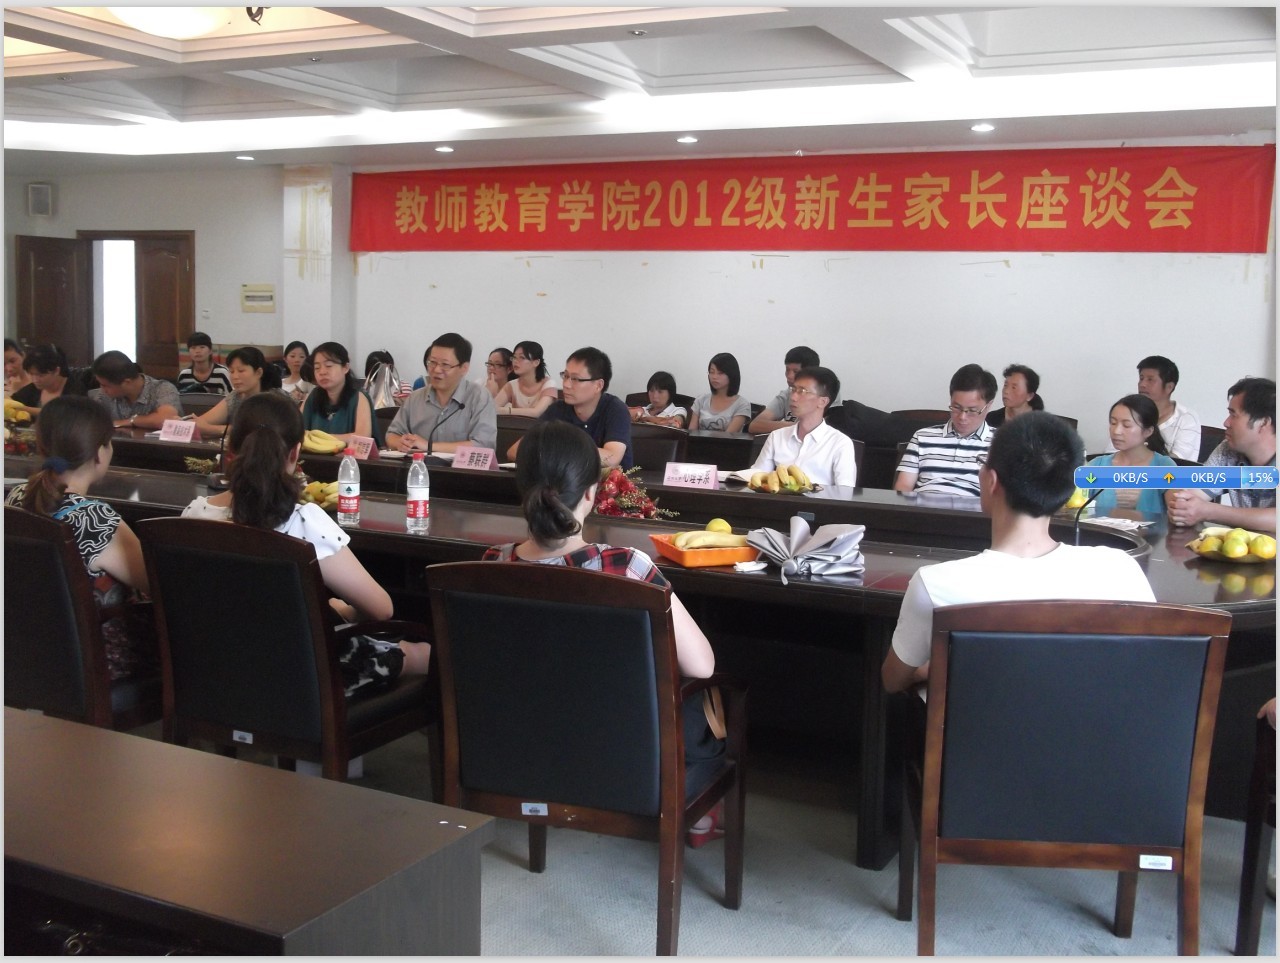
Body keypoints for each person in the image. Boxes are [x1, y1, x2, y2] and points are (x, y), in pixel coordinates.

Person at [483, 420, 723, 843]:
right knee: (699, 697)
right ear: (592, 493)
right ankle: (696, 810)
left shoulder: (490, 564)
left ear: (521, 488)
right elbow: (702, 666)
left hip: (522, 745)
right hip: (619, 754)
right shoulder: (626, 566)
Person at [882, 411, 1156, 696]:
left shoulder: (934, 583)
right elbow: (1149, 665)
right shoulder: (1121, 568)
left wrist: (936, 666)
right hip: (1097, 722)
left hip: (982, 725)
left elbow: (893, 680)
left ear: (991, 481)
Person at [181, 392, 430, 674]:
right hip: (298, 675)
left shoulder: (193, 515)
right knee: (422, 653)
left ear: (229, 452)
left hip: (211, 669)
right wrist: (345, 609)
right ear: (296, 453)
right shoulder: (303, 522)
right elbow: (381, 609)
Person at [5, 395, 158, 681]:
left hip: (26, 655)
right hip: (95, 664)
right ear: (99, 453)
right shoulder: (96, 519)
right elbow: (159, 583)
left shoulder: (15, 498)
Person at [1166, 376, 1276, 533]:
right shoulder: (1227, 451)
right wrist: (1183, 506)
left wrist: (1209, 511)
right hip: (1238, 546)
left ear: (1263, 423)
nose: (1226, 423)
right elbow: (1192, 494)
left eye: (1233, 415)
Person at [510, 346, 632, 469]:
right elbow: (515, 451)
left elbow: (611, 458)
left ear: (598, 385)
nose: (566, 384)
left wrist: (556, 450)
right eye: (566, 376)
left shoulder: (615, 409)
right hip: (564, 480)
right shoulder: (557, 410)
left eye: (575, 379)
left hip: (609, 481)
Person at [894, 363, 997, 497]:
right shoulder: (923, 437)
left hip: (972, 509)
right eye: (956, 407)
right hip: (923, 507)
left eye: (972, 410)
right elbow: (903, 487)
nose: (962, 417)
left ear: (988, 406)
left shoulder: (1001, 443)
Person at [386, 333, 497, 454]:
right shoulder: (415, 398)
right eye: (432, 362)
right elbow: (392, 434)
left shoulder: (479, 397)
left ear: (464, 368)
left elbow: (483, 446)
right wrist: (401, 443)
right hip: (419, 465)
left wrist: (428, 446)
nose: (437, 370)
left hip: (461, 466)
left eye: (445, 365)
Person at [746, 366, 856, 487]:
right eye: (793, 390)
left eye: (802, 391)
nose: (793, 397)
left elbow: (845, 492)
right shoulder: (776, 436)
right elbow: (757, 477)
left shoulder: (840, 444)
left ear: (822, 402)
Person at [1083, 394, 1177, 515]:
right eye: (1113, 423)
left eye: (1126, 425)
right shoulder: (1097, 465)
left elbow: (1178, 510)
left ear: (1148, 431)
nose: (1116, 431)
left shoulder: (1164, 466)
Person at [1108, 355, 1201, 461]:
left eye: (1150, 380)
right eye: (1141, 378)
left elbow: (1178, 462)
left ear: (1169, 387)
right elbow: (1111, 455)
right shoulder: (1129, 411)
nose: (1142, 384)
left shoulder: (1186, 418)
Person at [300, 341, 383, 447]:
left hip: (350, 457)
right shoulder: (312, 398)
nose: (322, 372)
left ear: (345, 368)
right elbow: (297, 432)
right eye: (317, 368)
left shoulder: (359, 398)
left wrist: (321, 439)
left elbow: (363, 437)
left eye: (328, 366)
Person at [191, 346, 281, 440]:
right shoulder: (235, 397)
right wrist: (186, 422)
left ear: (258, 372)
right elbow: (201, 423)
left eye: (241, 371)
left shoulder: (274, 398)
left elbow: (255, 429)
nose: (235, 376)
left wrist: (210, 429)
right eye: (232, 371)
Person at [90, 350, 183, 430]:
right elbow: (91, 424)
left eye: (105, 386)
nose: (102, 390)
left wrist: (131, 421)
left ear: (126, 382)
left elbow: (168, 420)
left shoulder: (163, 389)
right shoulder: (103, 396)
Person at [748, 345, 820, 434]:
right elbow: (754, 425)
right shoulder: (786, 395)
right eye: (787, 370)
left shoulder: (821, 398)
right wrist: (795, 426)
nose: (789, 376)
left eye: (796, 372)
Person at [10, 343, 91, 415]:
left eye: (40, 375)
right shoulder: (33, 388)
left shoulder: (75, 388)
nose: (35, 380)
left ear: (56, 371)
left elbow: (62, 414)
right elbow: (12, 401)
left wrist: (24, 409)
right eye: (31, 374)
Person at [688, 352, 751, 434]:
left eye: (720, 373)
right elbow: (691, 432)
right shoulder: (701, 400)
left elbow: (728, 436)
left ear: (732, 375)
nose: (714, 377)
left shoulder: (742, 404)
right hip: (697, 442)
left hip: (725, 442)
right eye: (711, 372)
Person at [494, 340, 558, 417]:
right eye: (514, 357)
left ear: (536, 362)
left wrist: (507, 410)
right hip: (517, 425)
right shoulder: (511, 385)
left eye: (522, 357)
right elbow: (492, 409)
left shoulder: (548, 384)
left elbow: (537, 413)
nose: (515, 361)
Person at [986, 363, 1044, 428]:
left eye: (1014, 387)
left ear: (1030, 396)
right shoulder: (991, 419)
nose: (1006, 391)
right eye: (1005, 385)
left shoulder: (1042, 424)